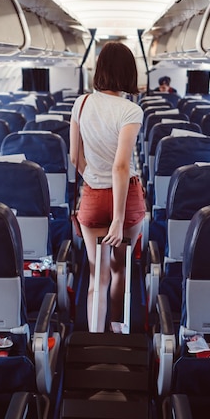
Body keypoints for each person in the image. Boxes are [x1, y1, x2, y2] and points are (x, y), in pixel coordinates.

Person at [70, 41, 145, 332]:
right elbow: (122, 167)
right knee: (119, 271)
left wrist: (94, 178)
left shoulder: (82, 103)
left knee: (95, 275)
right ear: (129, 73)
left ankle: (94, 336)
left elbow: (75, 157)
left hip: (91, 197)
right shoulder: (130, 111)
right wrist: (117, 218)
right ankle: (119, 331)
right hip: (125, 202)